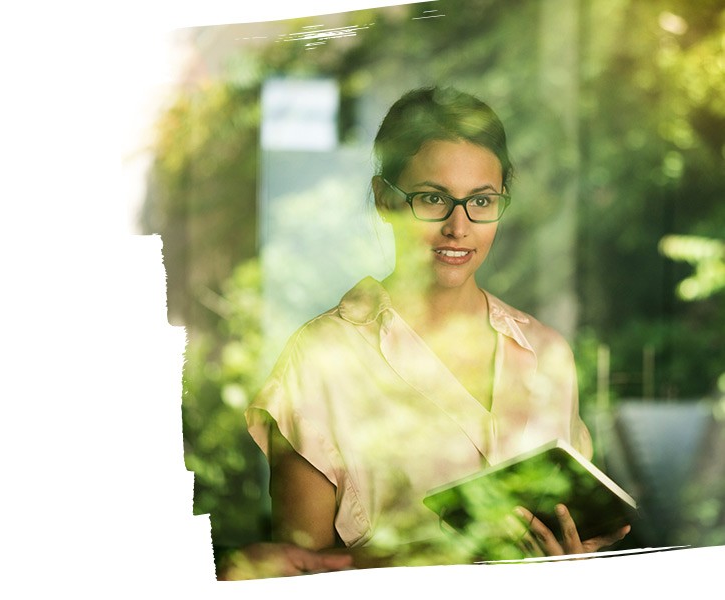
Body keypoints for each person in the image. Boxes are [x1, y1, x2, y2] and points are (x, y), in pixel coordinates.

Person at [244, 86, 630, 573]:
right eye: (432, 198)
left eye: (481, 201)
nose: (458, 226)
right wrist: (454, 553)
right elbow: (294, 574)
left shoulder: (548, 354)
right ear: (385, 199)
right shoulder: (320, 356)